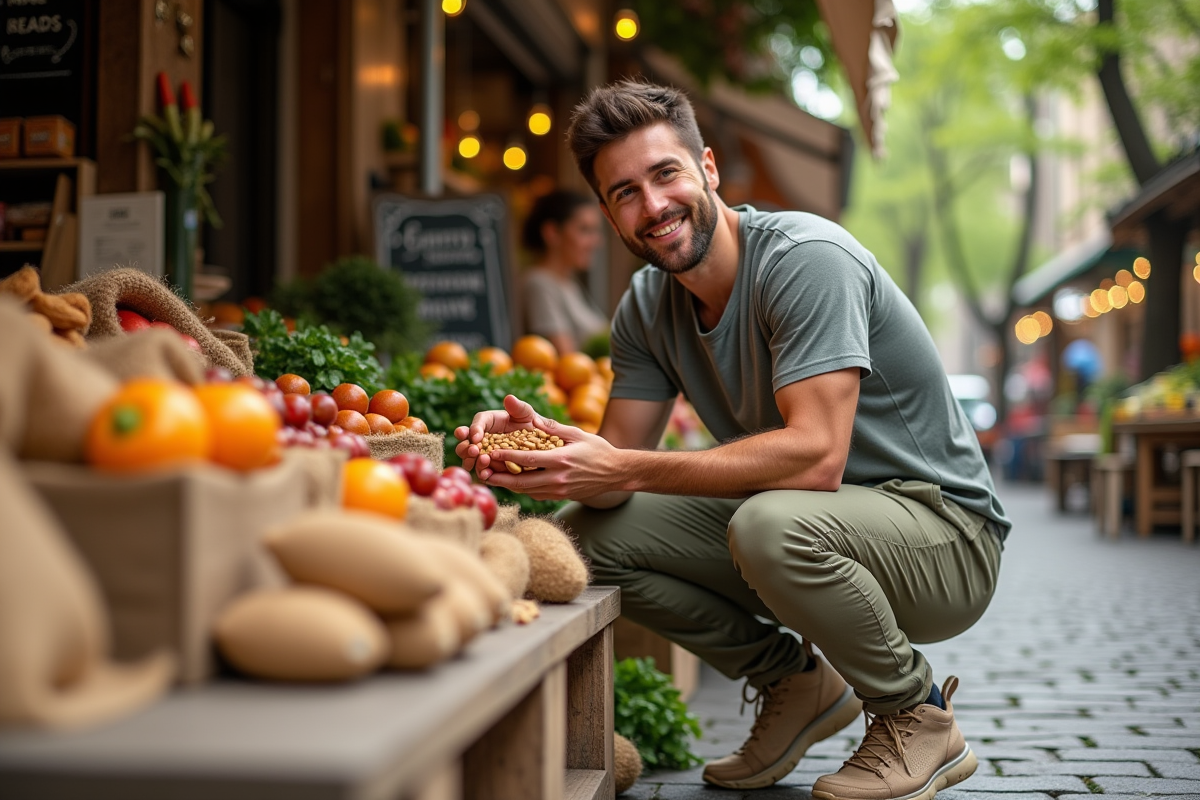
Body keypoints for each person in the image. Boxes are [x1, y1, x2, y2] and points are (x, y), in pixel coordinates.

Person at [455, 79, 1009, 800]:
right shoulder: (647, 308)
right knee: (584, 538)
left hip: (945, 537)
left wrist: (622, 464)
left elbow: (815, 456)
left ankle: (916, 715)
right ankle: (792, 682)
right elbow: (617, 476)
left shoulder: (805, 259)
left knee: (771, 524)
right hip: (820, 524)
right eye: (625, 193)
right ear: (608, 213)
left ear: (708, 168)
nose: (652, 206)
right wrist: (545, 451)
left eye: (665, 175)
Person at [520, 189, 609, 355]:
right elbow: (567, 361)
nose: (596, 241)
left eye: (596, 231)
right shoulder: (539, 284)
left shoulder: (569, 283)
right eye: (585, 230)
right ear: (552, 233)